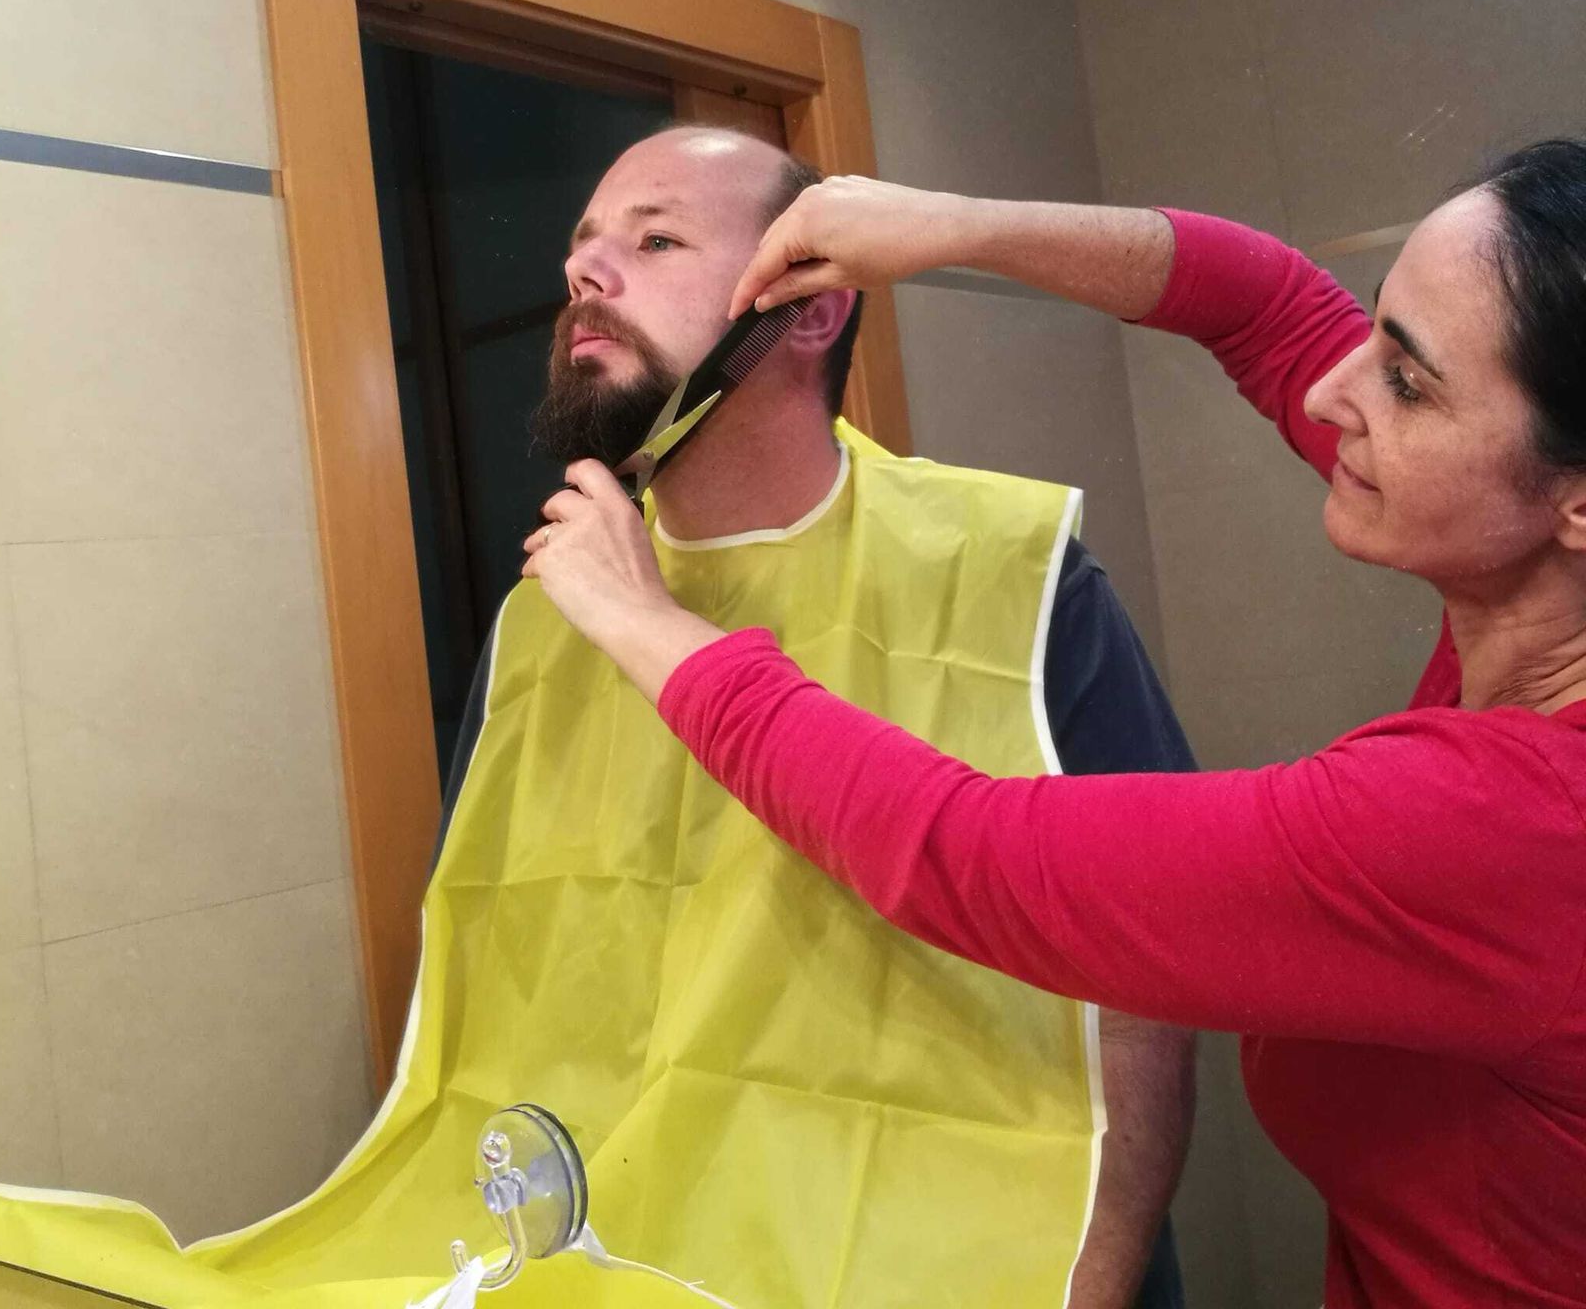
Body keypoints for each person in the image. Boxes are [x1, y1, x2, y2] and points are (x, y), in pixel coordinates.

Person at [522, 138, 1586, 1309]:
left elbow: (968, 853)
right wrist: (954, 222)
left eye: (1407, 380)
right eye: (1373, 333)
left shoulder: (1515, 827)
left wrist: (648, 624)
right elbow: (1264, 301)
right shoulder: (1515, 614)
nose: (1334, 389)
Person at [436, 124, 1195, 1308]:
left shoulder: (1010, 574)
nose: (586, 271)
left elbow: (1149, 977)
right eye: (584, 244)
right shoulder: (537, 629)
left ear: (809, 310)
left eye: (656, 238)